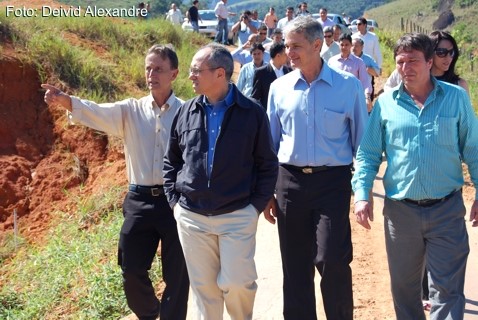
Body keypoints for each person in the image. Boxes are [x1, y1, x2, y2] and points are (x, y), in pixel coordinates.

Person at [42, 44, 190, 320]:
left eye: (158, 68)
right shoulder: (130, 110)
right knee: (131, 269)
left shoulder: (188, 112)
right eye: (148, 68)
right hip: (139, 200)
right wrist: (66, 100)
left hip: (176, 200)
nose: (151, 74)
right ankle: (149, 313)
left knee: (178, 274)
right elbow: (97, 111)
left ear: (174, 73)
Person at [352, 33, 478, 320]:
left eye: (413, 61)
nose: (406, 67)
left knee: (447, 291)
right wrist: (362, 195)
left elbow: (474, 149)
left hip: (447, 210)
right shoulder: (386, 105)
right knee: (406, 291)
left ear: (429, 62)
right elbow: (368, 155)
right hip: (401, 214)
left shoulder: (456, 98)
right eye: (400, 61)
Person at [163, 43, 278, 320]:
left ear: (220, 73)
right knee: (205, 291)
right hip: (192, 216)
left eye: (195, 70)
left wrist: (254, 208)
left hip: (237, 215)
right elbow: (171, 161)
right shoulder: (185, 111)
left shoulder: (252, 113)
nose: (190, 76)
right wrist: (176, 205)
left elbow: (267, 164)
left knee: (238, 284)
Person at [265, 16, 368, 320]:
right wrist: (269, 190)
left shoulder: (347, 87)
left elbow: (362, 145)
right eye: (287, 45)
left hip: (332, 184)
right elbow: (270, 146)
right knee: (295, 266)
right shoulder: (279, 88)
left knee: (333, 259)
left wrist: (362, 190)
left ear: (317, 45)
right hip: (289, 184)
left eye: (296, 45)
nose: (289, 51)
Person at [328, 33, 372, 111]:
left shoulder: (359, 62)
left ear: (351, 45)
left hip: (353, 100)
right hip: (335, 100)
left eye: (347, 44)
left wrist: (367, 98)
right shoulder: (332, 62)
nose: (344, 47)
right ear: (338, 45)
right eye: (342, 45)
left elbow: (365, 82)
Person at [251, 42, 291, 108]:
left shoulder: (289, 71)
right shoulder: (261, 73)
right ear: (278, 56)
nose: (288, 57)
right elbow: (255, 98)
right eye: (285, 54)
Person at [351, 37, 380, 110]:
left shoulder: (368, 59)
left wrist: (366, 68)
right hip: (350, 90)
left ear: (362, 47)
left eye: (356, 46)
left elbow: (377, 72)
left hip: (364, 91)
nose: (354, 48)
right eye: (352, 45)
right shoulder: (347, 58)